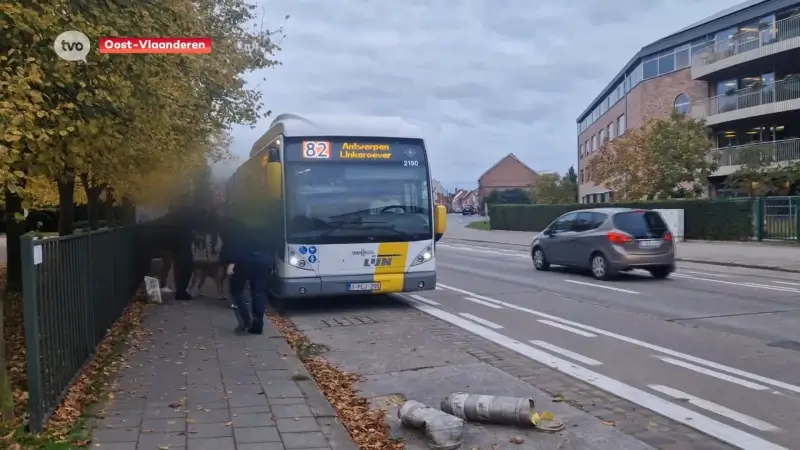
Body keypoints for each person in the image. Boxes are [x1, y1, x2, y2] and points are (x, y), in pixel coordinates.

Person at [226, 225, 272, 335]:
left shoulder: (242, 223)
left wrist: (232, 262)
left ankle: (246, 320)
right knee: (259, 292)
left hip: (245, 261)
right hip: (264, 260)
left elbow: (238, 242)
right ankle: (257, 324)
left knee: (236, 290)